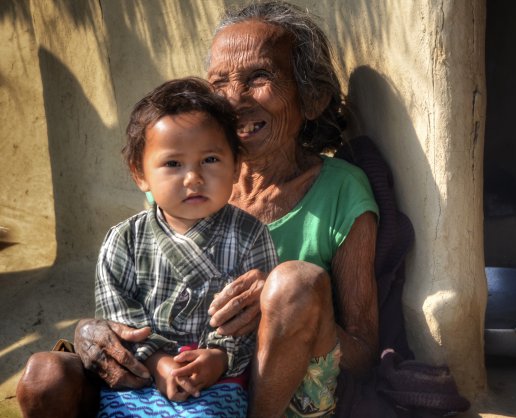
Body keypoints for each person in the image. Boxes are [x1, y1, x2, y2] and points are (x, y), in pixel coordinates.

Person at [17, 2, 380, 417]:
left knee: (294, 281)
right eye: (219, 82)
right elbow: (140, 299)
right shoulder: (182, 185)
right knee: (44, 376)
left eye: (259, 77)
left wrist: (281, 310)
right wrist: (91, 329)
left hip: (273, 392)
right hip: (175, 381)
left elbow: (364, 353)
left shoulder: (342, 191)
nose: (235, 99)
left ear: (311, 97)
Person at [94, 76, 278, 416]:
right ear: (140, 173)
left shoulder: (251, 235)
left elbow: (259, 319)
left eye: (210, 160)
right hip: (140, 379)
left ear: (236, 166)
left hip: (219, 380)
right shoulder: (124, 240)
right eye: (173, 164)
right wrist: (158, 362)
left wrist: (219, 357)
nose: (193, 179)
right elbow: (117, 316)